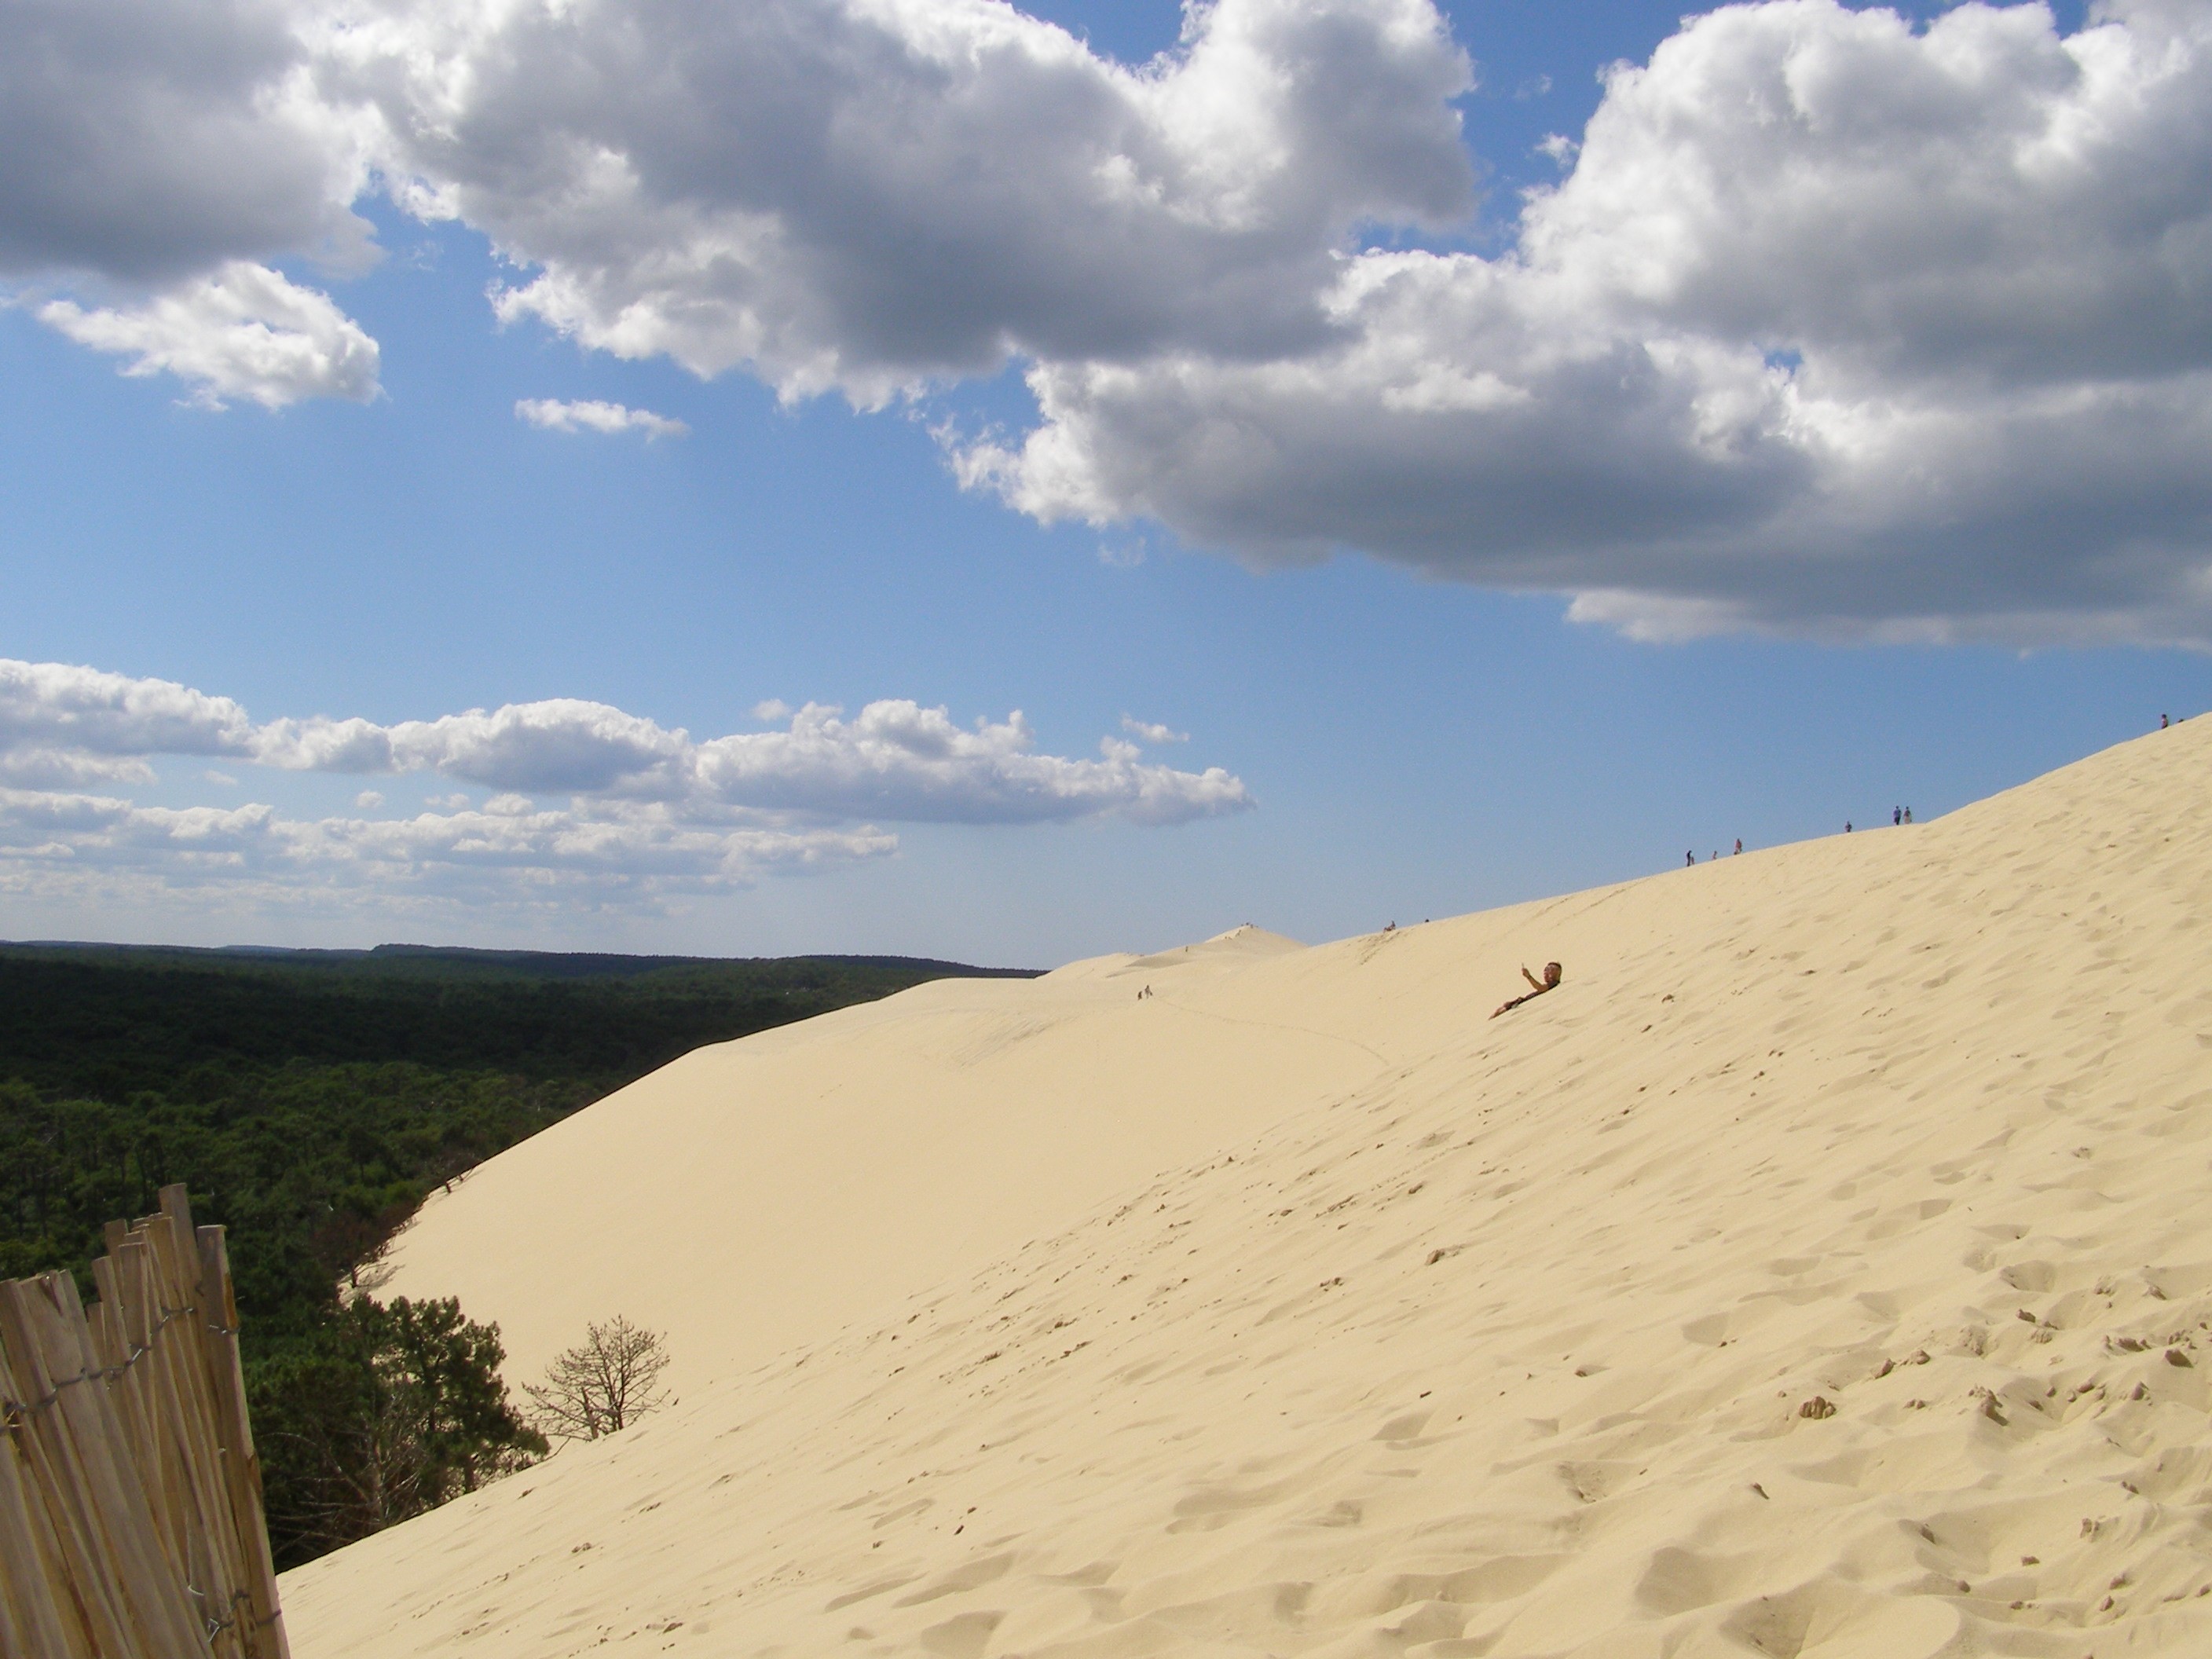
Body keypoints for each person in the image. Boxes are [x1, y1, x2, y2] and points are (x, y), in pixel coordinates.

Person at [1491, 961, 1562, 1018]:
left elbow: (1540, 988)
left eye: (1549, 969)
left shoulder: (1554, 984)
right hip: (1521, 1002)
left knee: (1499, 1013)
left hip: (1522, 1005)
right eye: (1545, 969)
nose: (1545, 972)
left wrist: (1528, 976)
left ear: (1557, 972)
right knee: (1498, 1011)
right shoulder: (1551, 984)